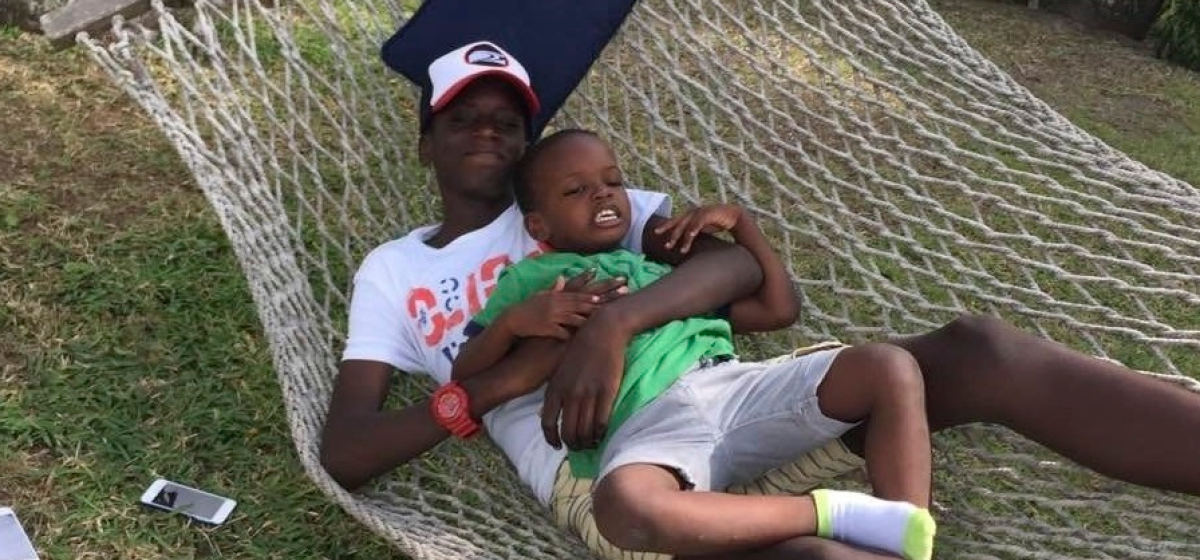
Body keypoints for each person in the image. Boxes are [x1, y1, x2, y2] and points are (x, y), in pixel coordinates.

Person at [319, 40, 1200, 560]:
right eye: (462, 119)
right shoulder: (395, 271)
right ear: (425, 141)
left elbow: (737, 275)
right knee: (807, 559)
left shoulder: (582, 204)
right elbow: (349, 450)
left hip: (725, 399)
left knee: (981, 350)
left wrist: (616, 322)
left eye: (507, 121)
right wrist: (502, 381)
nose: (487, 132)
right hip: (610, 468)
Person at [450, 128, 936, 559]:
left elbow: (778, 309)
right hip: (645, 430)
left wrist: (742, 224)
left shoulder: (660, 272)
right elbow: (465, 375)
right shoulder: (532, 280)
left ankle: (902, 536)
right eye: (576, 190)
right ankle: (829, 514)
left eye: (613, 182)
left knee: (886, 366)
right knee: (622, 507)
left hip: (731, 387)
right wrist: (513, 322)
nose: (603, 193)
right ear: (539, 227)